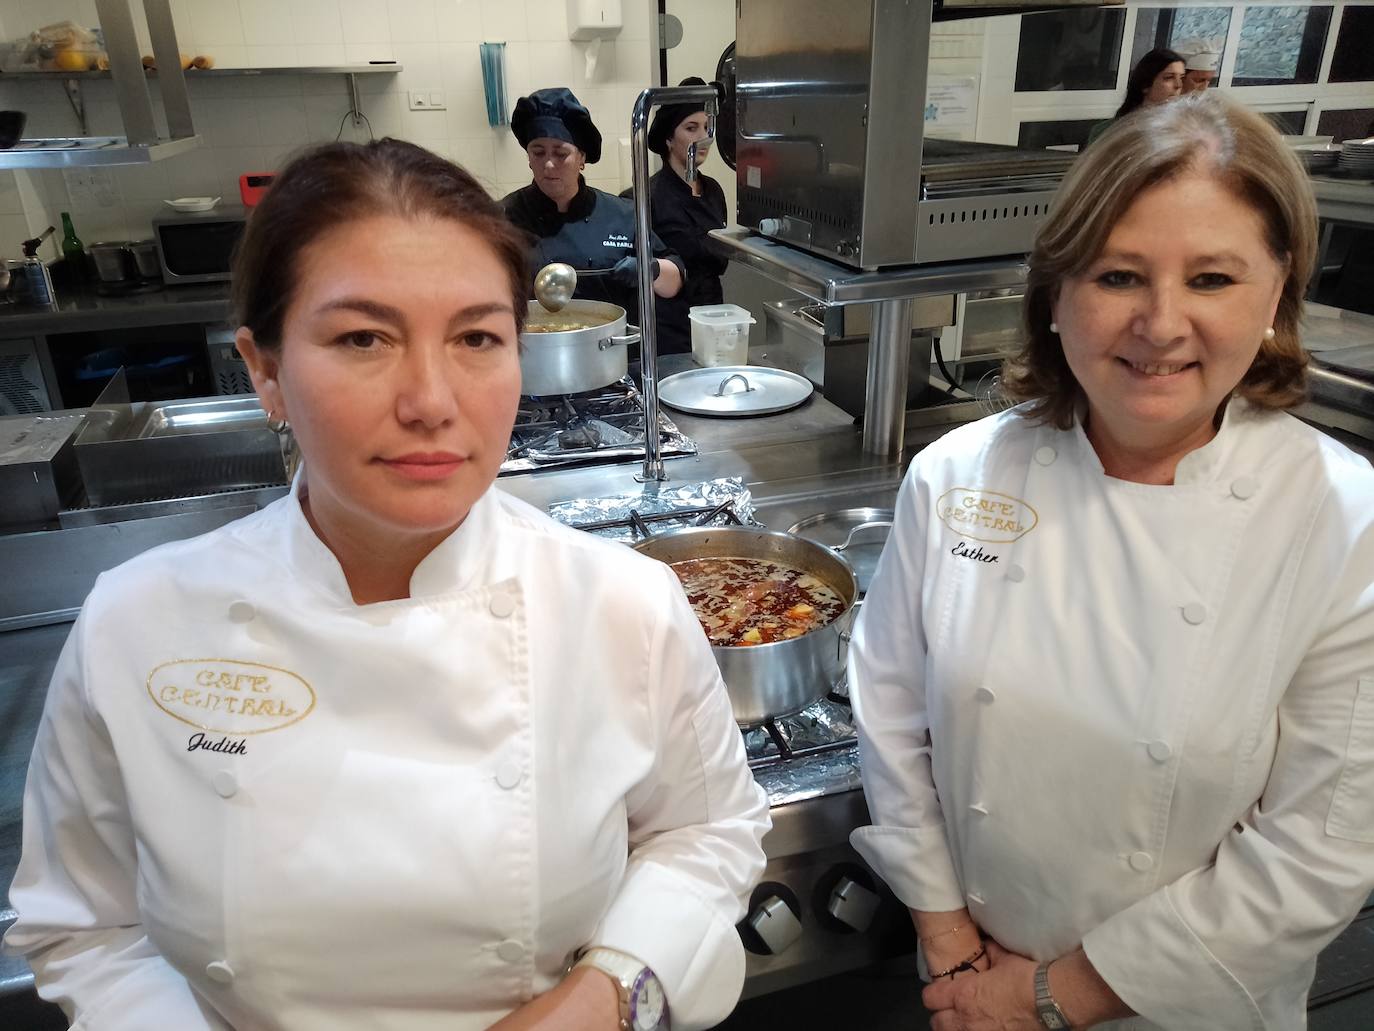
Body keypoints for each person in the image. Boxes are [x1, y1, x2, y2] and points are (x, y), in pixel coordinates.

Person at [4, 138, 770, 1031]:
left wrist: (598, 1001)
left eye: (478, 336)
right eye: (363, 338)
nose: (431, 400)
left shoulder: (622, 603)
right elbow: (86, 927)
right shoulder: (135, 625)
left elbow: (709, 831)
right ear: (264, 369)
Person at [847, 93, 1374, 1031]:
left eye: (1212, 278)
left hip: (1191, 1001)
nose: (1161, 323)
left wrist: (1048, 996)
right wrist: (947, 934)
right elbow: (889, 707)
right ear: (1056, 293)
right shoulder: (957, 475)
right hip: (973, 973)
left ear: (1278, 291)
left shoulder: (1343, 520)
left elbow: (1316, 852)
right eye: (1120, 275)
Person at [502, 87, 685, 320]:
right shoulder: (502, 218)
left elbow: (675, 281)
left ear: (582, 158)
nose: (548, 164)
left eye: (560, 154)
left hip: (607, 347)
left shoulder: (621, 216)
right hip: (531, 349)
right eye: (538, 152)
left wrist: (651, 269)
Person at [646, 77, 730, 356]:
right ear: (669, 138)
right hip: (670, 330)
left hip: (715, 322)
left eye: (707, 127)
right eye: (691, 128)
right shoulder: (649, 196)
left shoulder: (714, 191)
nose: (703, 137)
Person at [1086, 48, 1184, 145]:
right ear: (1145, 84)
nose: (1178, 85)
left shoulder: (1182, 131)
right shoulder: (1108, 131)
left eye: (1181, 78)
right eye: (1169, 77)